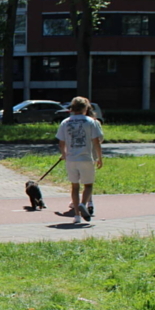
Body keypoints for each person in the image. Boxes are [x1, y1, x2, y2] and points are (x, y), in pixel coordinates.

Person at [56, 96, 103, 224]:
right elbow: (96, 142)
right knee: (88, 185)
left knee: (74, 187)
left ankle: (76, 215)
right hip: (86, 158)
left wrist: (64, 154)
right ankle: (83, 203)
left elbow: (61, 142)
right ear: (86, 107)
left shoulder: (65, 122)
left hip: (71, 159)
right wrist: (99, 157)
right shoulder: (91, 122)